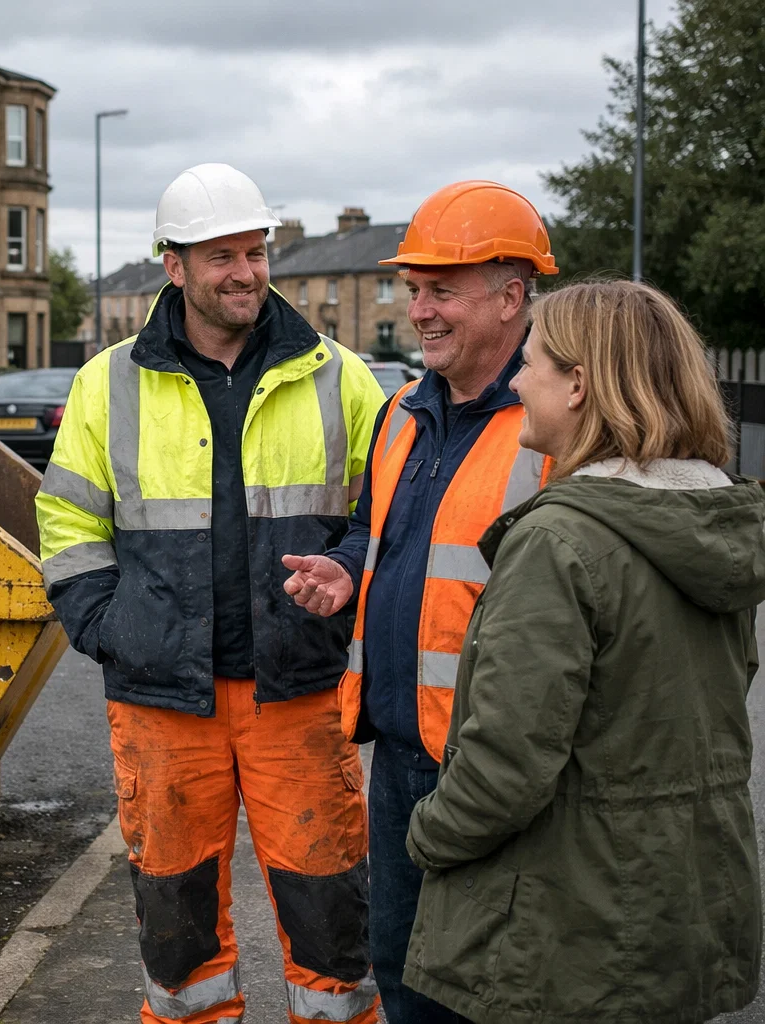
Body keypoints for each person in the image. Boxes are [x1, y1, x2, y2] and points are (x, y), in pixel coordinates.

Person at [35, 163, 384, 1024]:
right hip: (162, 700)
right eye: (221, 253)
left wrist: (349, 575)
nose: (245, 271)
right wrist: (113, 630)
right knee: (177, 926)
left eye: (255, 251)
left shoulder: (341, 376)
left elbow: (387, 513)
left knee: (331, 918)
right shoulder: (107, 382)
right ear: (174, 266)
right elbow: (68, 523)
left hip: (296, 694)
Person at [403, 280, 765, 1021]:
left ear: (578, 384)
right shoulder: (711, 521)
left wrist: (428, 834)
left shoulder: (558, 541)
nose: (514, 380)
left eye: (531, 361)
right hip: (687, 900)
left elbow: (507, 764)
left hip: (574, 921)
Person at [281, 180, 557, 1022]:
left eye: (442, 289)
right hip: (401, 750)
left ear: (512, 297)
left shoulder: (557, 419)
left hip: (498, 760)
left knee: (498, 985)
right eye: (413, 288)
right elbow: (382, 532)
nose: (420, 309)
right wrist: (347, 569)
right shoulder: (402, 410)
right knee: (400, 969)